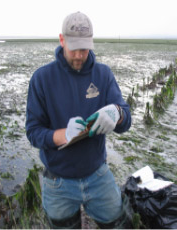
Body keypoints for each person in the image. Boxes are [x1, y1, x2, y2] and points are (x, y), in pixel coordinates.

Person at [25, 11, 132, 229]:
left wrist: (117, 113)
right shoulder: (42, 79)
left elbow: (126, 119)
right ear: (62, 40)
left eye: (84, 49)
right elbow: (33, 132)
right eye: (74, 48)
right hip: (58, 182)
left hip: (98, 176)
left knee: (120, 224)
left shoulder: (103, 74)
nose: (79, 56)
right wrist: (64, 134)